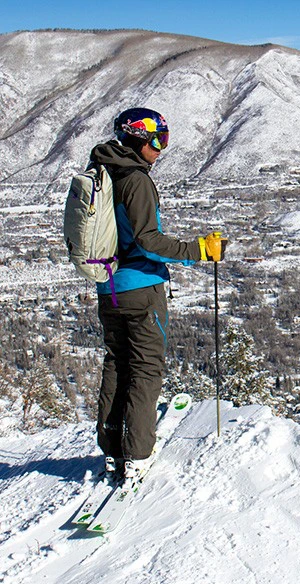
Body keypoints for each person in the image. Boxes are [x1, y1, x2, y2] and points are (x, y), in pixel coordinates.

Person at [89, 107, 226, 486]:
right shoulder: (136, 180)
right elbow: (148, 241)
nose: (161, 149)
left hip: (108, 285)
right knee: (146, 367)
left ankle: (113, 448)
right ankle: (137, 453)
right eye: (158, 140)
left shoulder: (102, 171)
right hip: (140, 287)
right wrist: (198, 250)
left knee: (117, 363)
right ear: (139, 139)